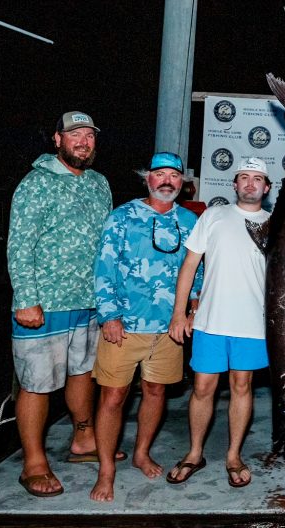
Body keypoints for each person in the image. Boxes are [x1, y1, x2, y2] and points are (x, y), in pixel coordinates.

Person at [7, 110, 116, 498]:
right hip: (45, 303)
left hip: (88, 302)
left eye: (89, 135)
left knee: (82, 373)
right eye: (75, 134)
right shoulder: (35, 184)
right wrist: (26, 299)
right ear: (57, 139)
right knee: (36, 383)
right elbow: (20, 245)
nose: (83, 141)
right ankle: (33, 462)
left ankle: (83, 439)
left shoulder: (99, 183)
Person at [89, 152, 203, 502]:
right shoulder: (121, 217)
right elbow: (104, 267)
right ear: (148, 179)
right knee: (113, 397)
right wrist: (109, 315)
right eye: (159, 175)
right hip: (124, 325)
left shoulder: (190, 220)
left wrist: (194, 303)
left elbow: (197, 270)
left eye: (173, 175)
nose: (166, 181)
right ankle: (106, 469)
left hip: (170, 328)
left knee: (155, 392)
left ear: (182, 183)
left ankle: (141, 453)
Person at [166, 157, 272, 489]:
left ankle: (233, 456)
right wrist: (178, 313)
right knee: (202, 389)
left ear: (267, 188)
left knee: (243, 387)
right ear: (235, 184)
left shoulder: (276, 223)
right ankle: (195, 453)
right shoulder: (213, 216)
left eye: (257, 179)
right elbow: (189, 266)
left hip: (253, 326)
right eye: (244, 177)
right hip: (210, 322)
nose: (251, 184)